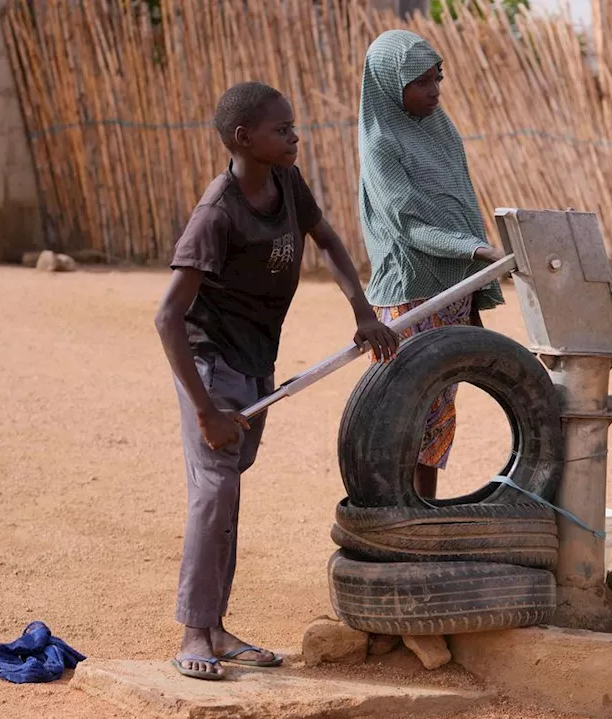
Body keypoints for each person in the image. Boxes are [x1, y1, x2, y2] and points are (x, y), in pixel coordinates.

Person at [155, 81, 399, 680]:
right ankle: (194, 632)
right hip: (210, 367)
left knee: (229, 494)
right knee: (214, 493)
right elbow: (167, 316)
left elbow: (328, 239)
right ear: (244, 138)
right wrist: (207, 411)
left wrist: (362, 311)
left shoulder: (287, 183)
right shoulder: (217, 213)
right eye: (282, 129)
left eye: (293, 127)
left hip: (256, 366)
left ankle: (215, 628)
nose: (295, 136)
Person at [356, 29, 505, 500]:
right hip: (411, 298)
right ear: (387, 85)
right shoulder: (381, 144)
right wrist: (479, 252)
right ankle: (393, 515)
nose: (433, 91)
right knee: (404, 410)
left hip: (453, 293)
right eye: (419, 82)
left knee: (439, 411)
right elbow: (407, 225)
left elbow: (463, 204)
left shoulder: (443, 131)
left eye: (436, 78)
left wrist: (475, 287)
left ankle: (426, 512)